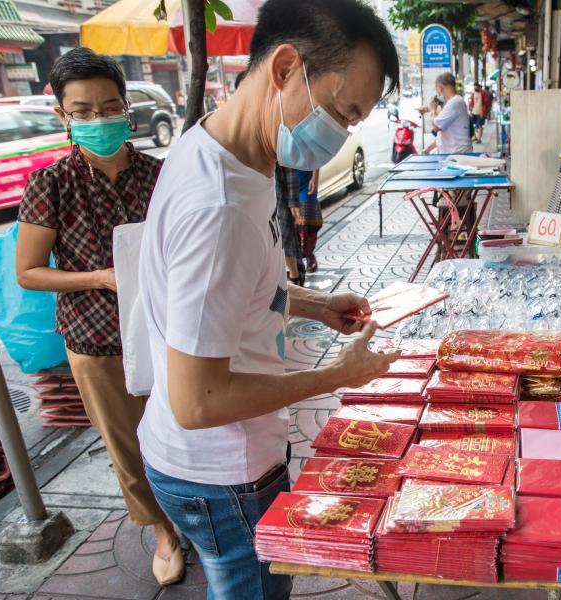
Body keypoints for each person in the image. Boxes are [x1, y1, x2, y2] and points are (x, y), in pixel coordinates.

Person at [137, 0, 401, 597]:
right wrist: (337, 375)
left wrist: (313, 303)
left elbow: (234, 293)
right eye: (341, 111)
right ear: (284, 67)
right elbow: (198, 401)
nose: (340, 136)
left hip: (191, 459)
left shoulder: (221, 147)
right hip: (220, 473)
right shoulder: (220, 207)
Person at [14, 48, 183, 586]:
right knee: (127, 441)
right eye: (83, 110)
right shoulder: (52, 185)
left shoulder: (162, 174)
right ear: (64, 116)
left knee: (183, 426)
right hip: (94, 338)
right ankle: (162, 530)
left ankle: (197, 514)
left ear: (126, 108)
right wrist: (100, 278)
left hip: (166, 329)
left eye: (108, 107)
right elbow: (30, 272)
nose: (98, 119)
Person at [419, 72, 471, 154]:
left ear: (440, 87)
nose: (437, 94)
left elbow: (436, 127)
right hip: (451, 154)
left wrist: (433, 110)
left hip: (458, 155)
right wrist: (428, 149)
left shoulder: (454, 103)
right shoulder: (452, 102)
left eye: (437, 90)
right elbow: (443, 135)